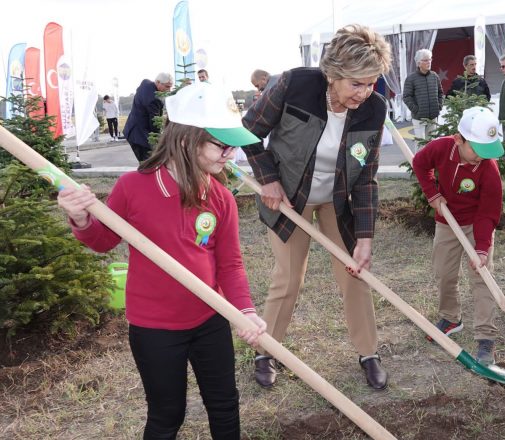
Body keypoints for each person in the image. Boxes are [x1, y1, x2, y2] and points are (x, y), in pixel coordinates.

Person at [56, 82, 267, 439]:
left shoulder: (220, 198)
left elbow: (229, 264)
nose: (231, 154)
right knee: (167, 414)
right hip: (154, 328)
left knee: (225, 405)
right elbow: (104, 241)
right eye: (222, 145)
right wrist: (81, 220)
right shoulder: (133, 188)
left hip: (209, 317)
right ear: (186, 139)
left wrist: (243, 310)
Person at [242, 24, 393, 390]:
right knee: (288, 277)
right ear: (333, 74)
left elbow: (366, 178)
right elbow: (248, 131)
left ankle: (368, 352)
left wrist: (365, 237)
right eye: (356, 83)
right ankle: (267, 350)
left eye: (371, 82)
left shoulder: (374, 109)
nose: (365, 92)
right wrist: (268, 178)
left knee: (355, 273)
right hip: (290, 199)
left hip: (337, 202)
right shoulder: (296, 85)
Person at [411, 107, 504, 365]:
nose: (481, 157)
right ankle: (451, 318)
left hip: (476, 224)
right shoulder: (441, 148)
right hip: (446, 221)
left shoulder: (489, 170)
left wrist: (482, 248)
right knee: (443, 272)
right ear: (458, 139)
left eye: (487, 150)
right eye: (477, 149)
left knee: (482, 277)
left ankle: (486, 337)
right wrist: (432, 193)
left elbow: (488, 213)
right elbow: (419, 163)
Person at [123, 72, 173, 162]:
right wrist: (160, 139)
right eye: (167, 86)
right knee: (148, 163)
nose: (169, 90)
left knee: (147, 163)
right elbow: (154, 123)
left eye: (170, 87)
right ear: (158, 82)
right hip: (140, 136)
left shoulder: (145, 83)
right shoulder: (154, 100)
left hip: (132, 129)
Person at [403, 49, 444, 147]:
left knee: (432, 144)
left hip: (433, 117)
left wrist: (439, 106)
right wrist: (416, 110)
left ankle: (432, 162)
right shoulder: (411, 78)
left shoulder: (434, 76)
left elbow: (440, 93)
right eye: (425, 60)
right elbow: (406, 96)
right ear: (418, 63)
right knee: (420, 144)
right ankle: (420, 162)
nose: (429, 62)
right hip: (419, 117)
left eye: (430, 59)